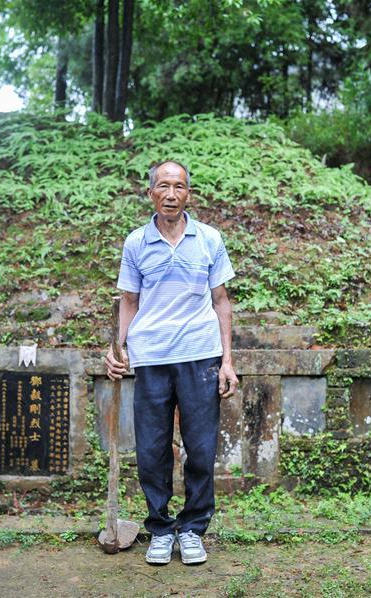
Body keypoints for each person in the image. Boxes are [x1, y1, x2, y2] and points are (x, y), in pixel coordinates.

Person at [104, 160, 238, 566]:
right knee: (152, 449)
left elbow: (221, 302)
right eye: (163, 186)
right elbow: (129, 302)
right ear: (151, 194)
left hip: (200, 355)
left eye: (179, 186)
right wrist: (118, 349)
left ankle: (194, 528)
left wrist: (227, 361)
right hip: (152, 357)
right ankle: (160, 528)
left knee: (200, 448)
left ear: (188, 194)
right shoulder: (135, 243)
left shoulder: (210, 239)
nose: (171, 194)